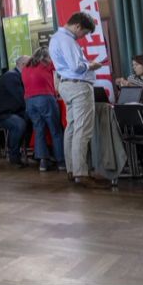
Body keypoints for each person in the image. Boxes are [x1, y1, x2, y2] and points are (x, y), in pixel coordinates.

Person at [49, 12, 109, 189]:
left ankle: (72, 170)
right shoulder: (68, 40)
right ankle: (81, 173)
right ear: (77, 26)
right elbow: (76, 67)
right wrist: (93, 65)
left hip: (66, 85)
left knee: (72, 128)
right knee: (82, 130)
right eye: (84, 33)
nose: (83, 37)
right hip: (78, 86)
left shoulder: (55, 38)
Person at [22, 47, 65, 172]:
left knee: (39, 130)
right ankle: (61, 162)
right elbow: (61, 69)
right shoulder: (46, 64)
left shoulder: (26, 67)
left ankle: (43, 162)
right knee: (55, 131)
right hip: (45, 99)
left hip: (29, 102)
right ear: (46, 57)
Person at [0, 56, 32, 167]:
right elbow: (21, 98)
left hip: (12, 111)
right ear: (23, 65)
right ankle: (14, 155)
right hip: (3, 114)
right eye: (30, 65)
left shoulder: (15, 75)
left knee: (33, 119)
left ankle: (34, 151)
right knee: (19, 125)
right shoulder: (12, 77)